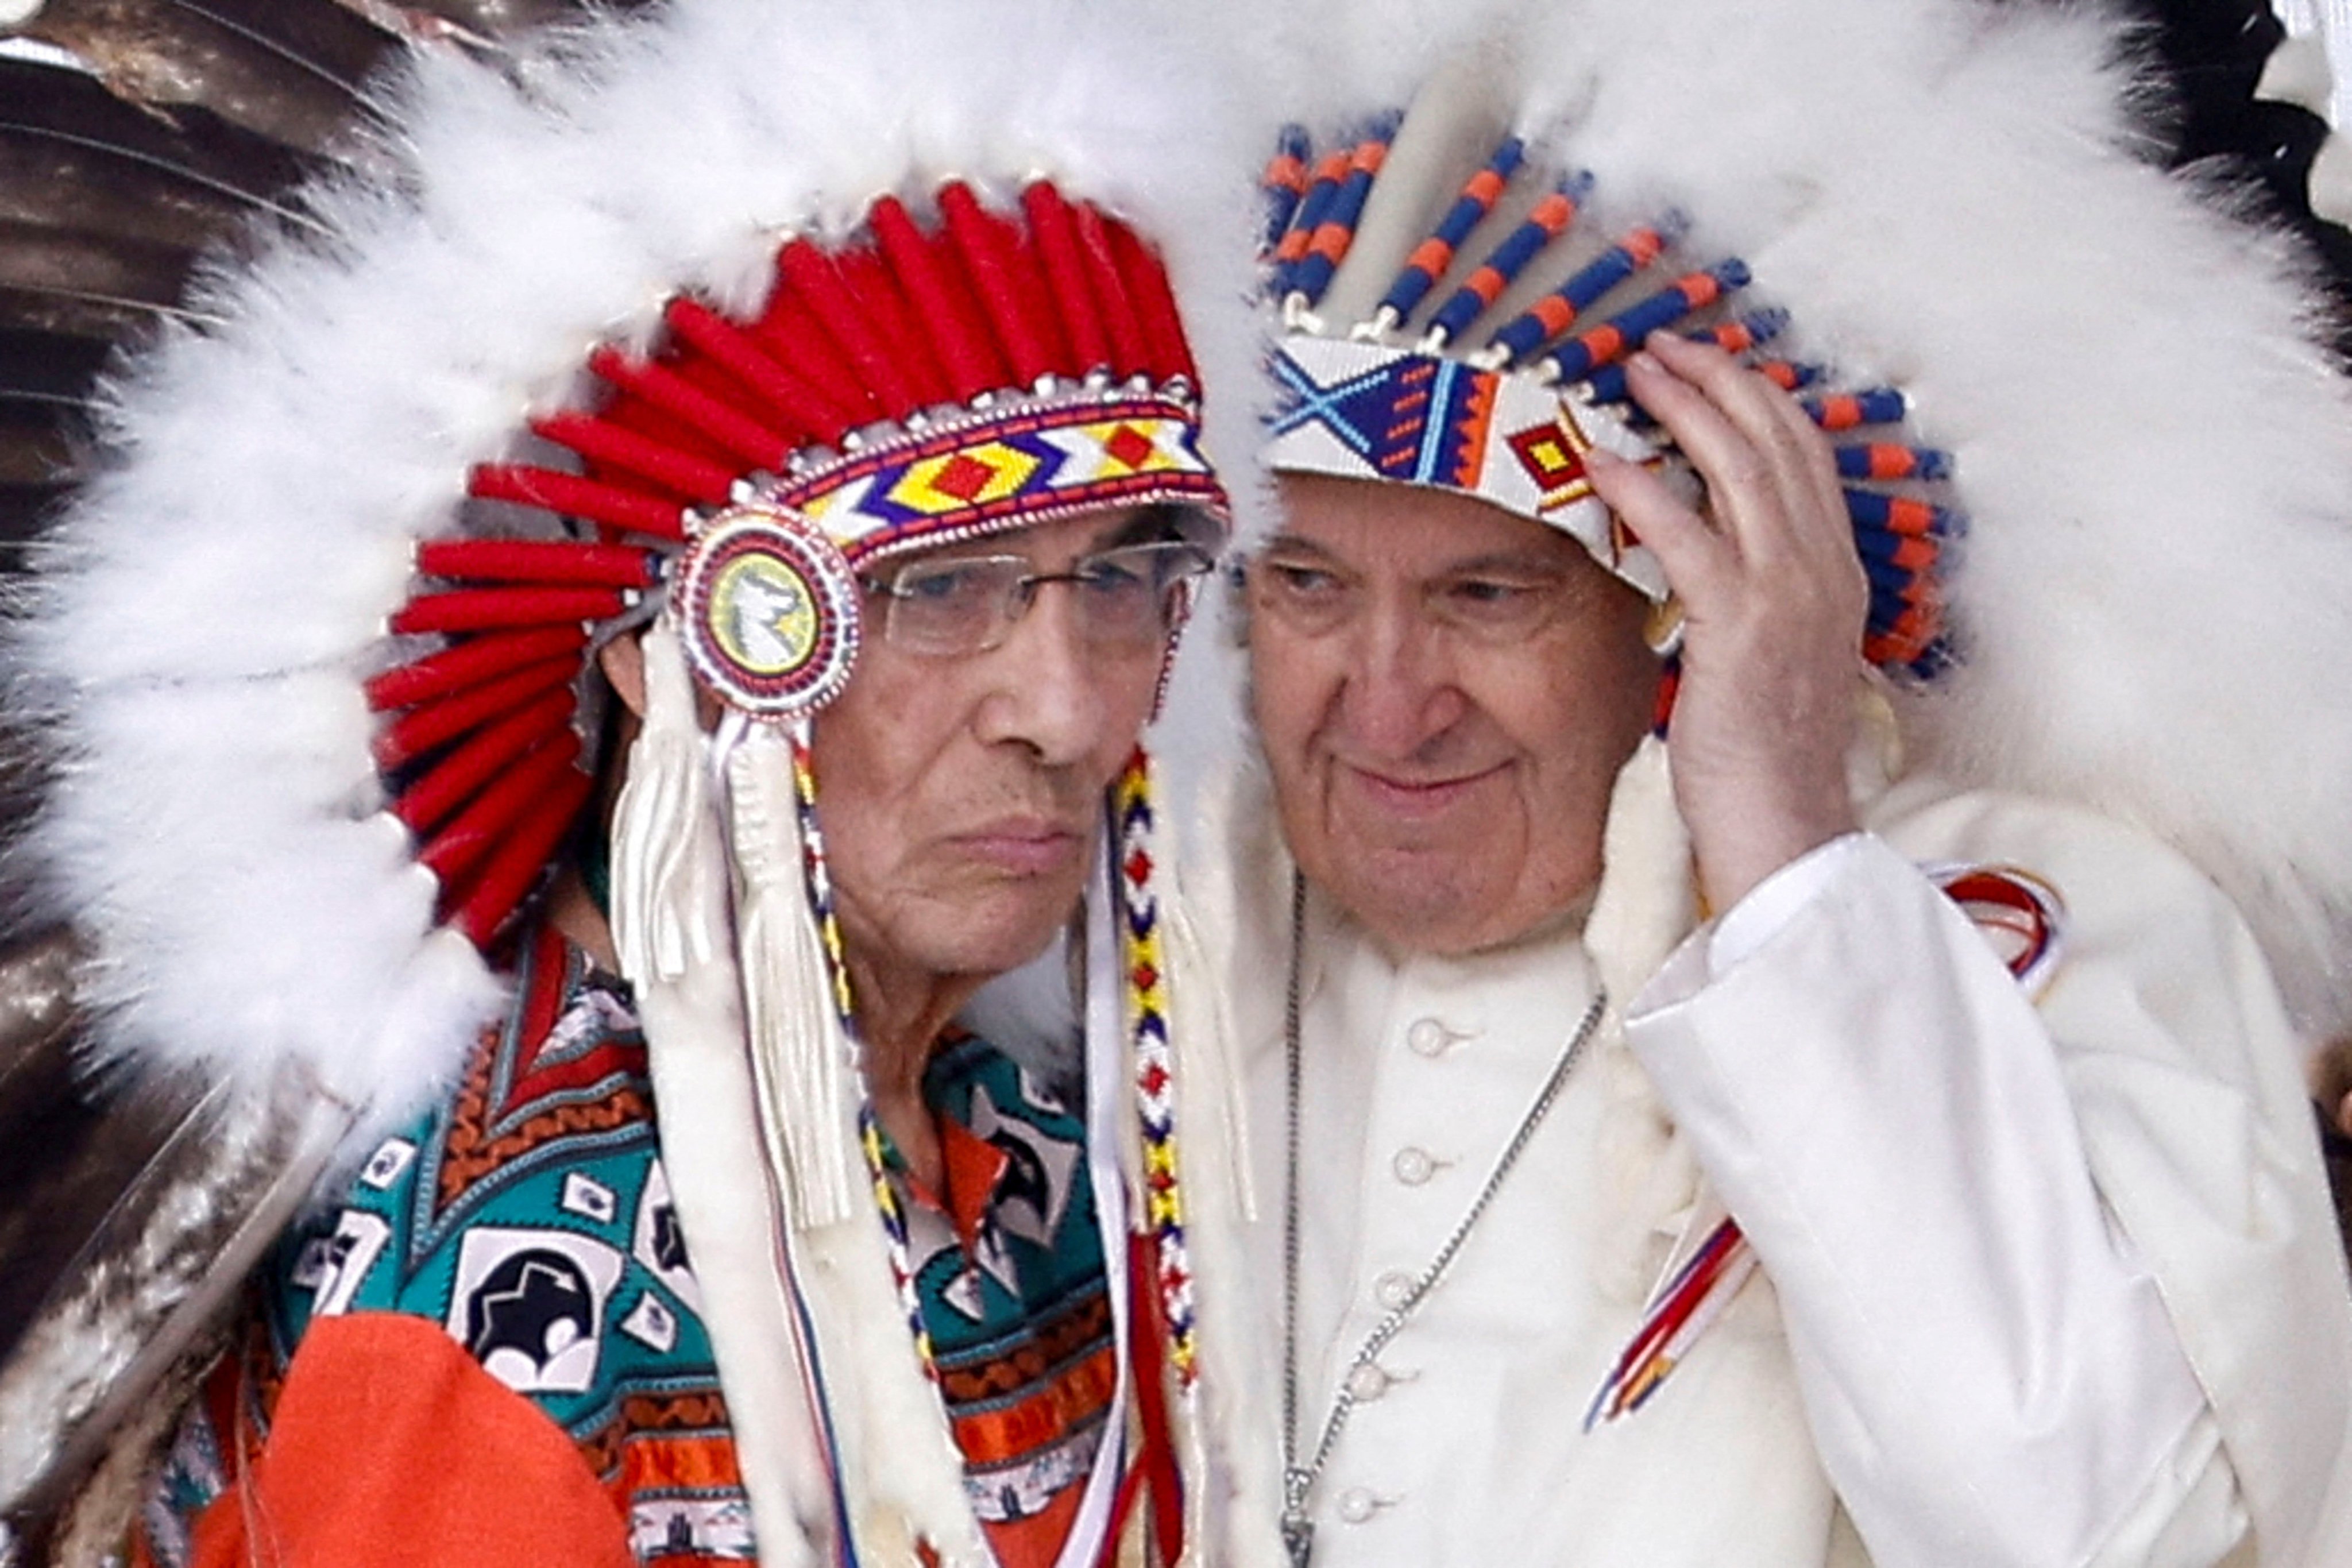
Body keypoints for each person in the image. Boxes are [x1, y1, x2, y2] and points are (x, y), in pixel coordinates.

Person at [0, 1, 1279, 1563]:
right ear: (667, 645)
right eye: (942, 589)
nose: (1068, 712)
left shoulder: (1048, 1165)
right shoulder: (500, 1298)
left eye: (1123, 578)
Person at [1164, 2, 2352, 1563]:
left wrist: (1791, 870)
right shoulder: (1161, 916)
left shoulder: (2075, 917)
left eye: (1487, 597)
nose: (1386, 705)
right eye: (1309, 585)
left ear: (1691, 606)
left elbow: (2091, 1533)